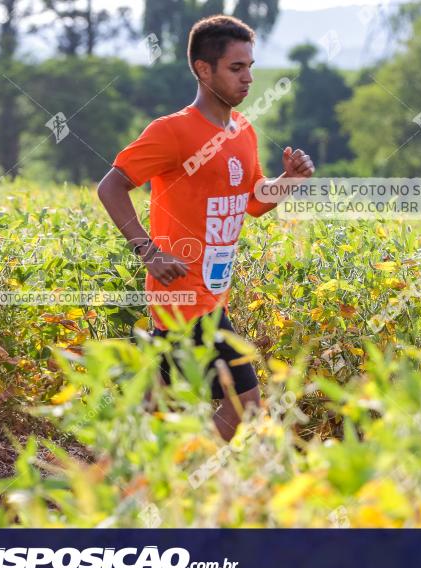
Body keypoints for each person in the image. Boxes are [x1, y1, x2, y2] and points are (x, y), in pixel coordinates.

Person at [97, 14, 314, 442]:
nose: (249, 78)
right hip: (184, 296)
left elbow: (253, 201)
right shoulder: (173, 131)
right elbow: (111, 187)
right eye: (237, 68)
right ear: (203, 68)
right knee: (246, 405)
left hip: (213, 294)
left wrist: (289, 181)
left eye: (250, 66)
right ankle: (183, 483)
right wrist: (148, 250)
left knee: (154, 405)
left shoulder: (244, 132)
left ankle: (120, 478)